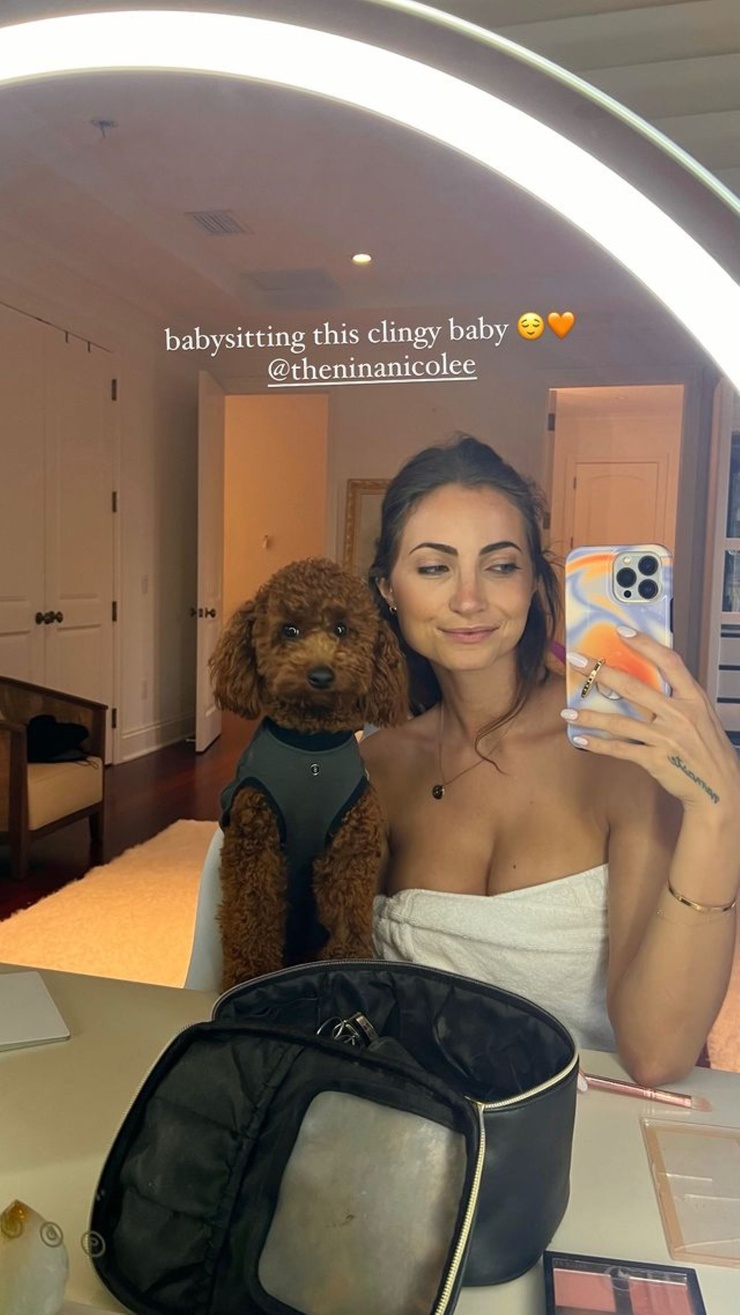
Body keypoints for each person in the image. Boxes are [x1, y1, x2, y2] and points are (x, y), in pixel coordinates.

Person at [361, 434, 740, 1084]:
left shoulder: (616, 753)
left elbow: (656, 1052)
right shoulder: (375, 767)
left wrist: (720, 811)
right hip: (416, 1112)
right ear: (388, 589)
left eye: (500, 566)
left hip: (582, 1124)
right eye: (434, 568)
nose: (470, 599)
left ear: (535, 581)